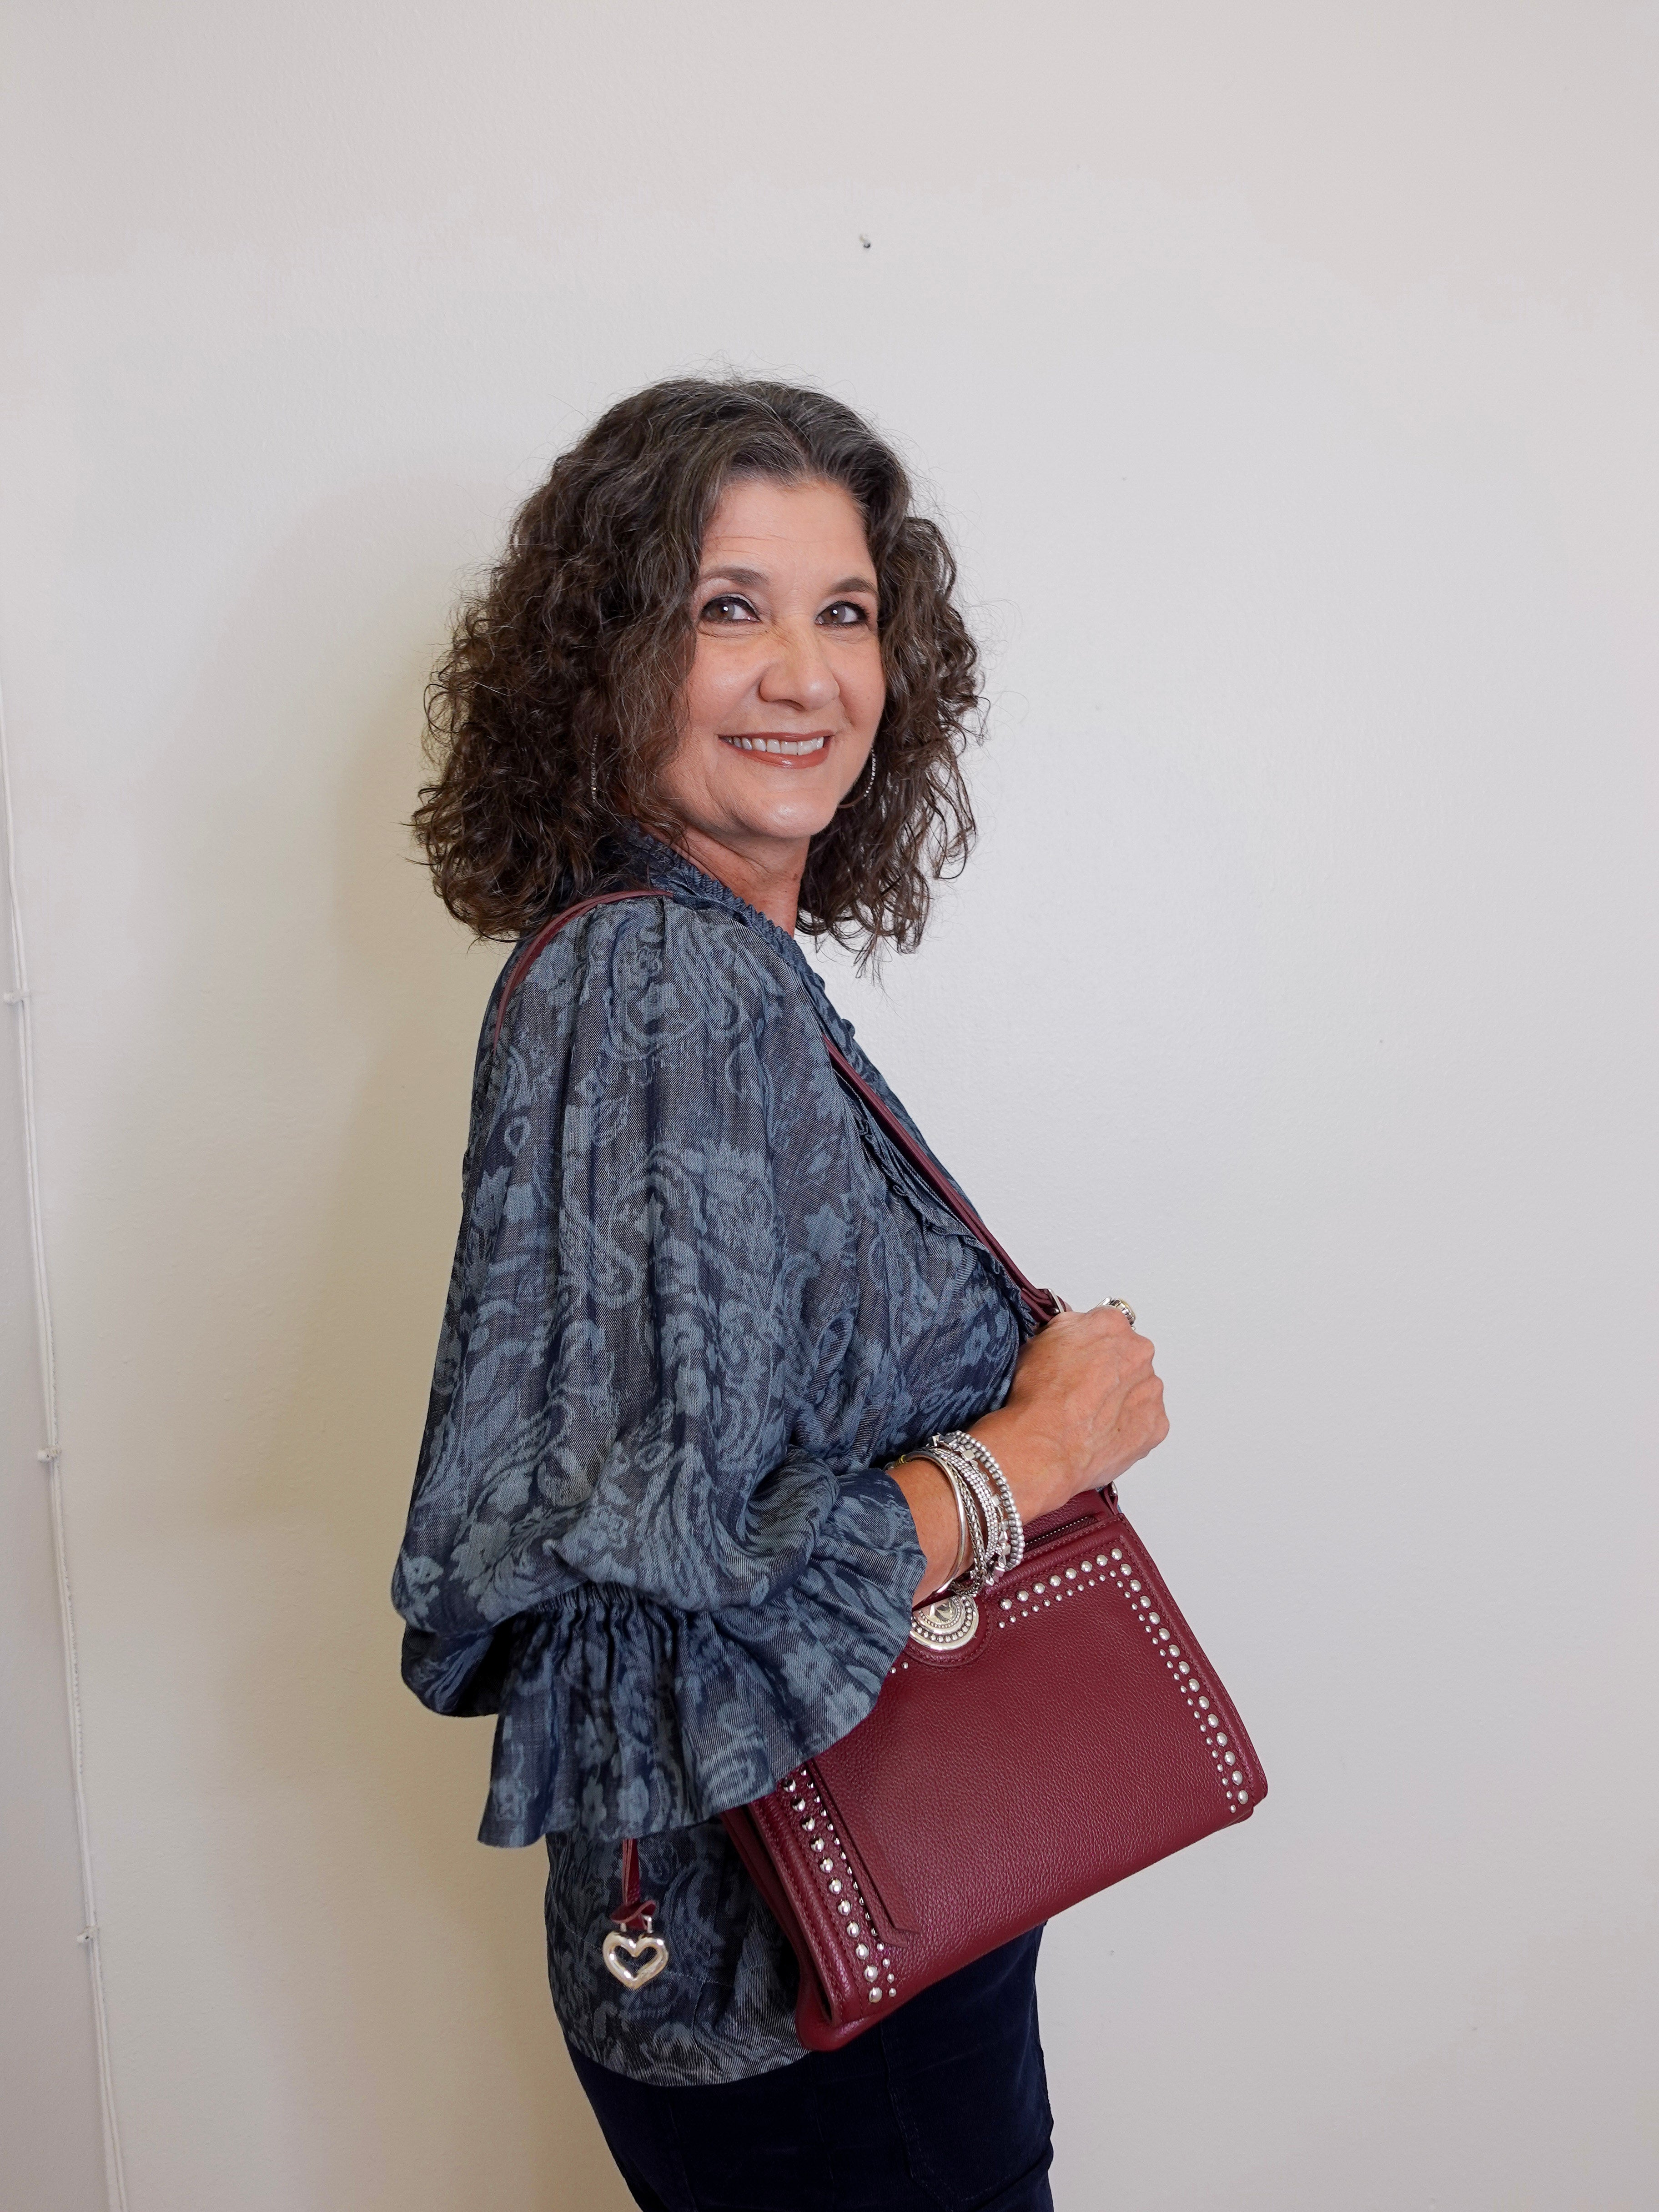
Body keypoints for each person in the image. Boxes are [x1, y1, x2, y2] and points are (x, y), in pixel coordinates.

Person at [392, 377, 1168, 2212]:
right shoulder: (665, 986)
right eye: (727, 608)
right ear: (609, 658)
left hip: (843, 1941)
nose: (803, 674)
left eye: (846, 612)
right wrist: (1033, 1453)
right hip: (809, 1989)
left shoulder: (699, 966)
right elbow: (663, 1609)